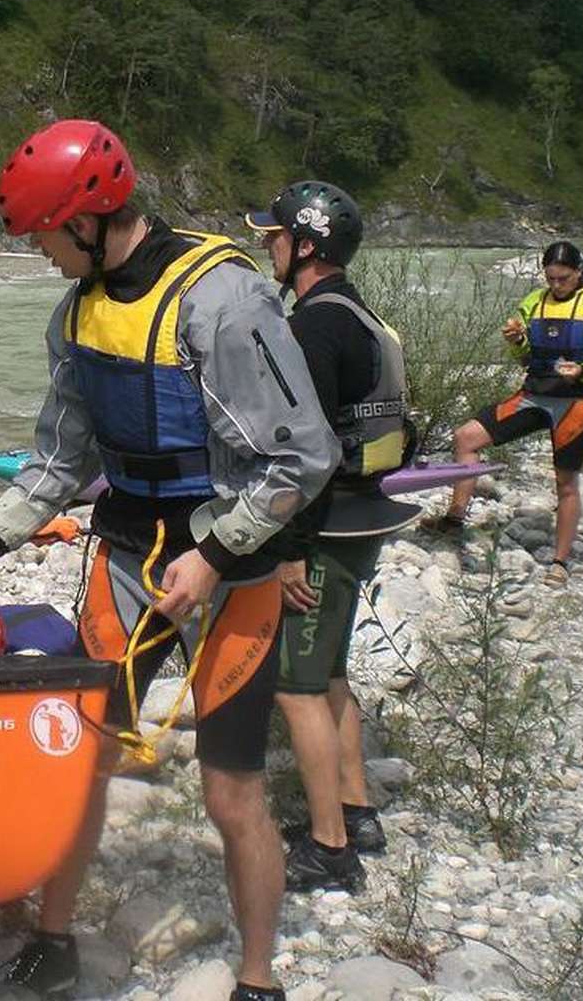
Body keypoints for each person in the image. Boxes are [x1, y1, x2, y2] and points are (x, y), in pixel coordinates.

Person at [0, 120, 340, 1001]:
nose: (37, 253)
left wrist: (217, 557)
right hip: (123, 560)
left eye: (41, 235)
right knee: (81, 763)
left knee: (231, 795)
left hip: (231, 574)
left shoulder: (223, 302)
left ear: (86, 220)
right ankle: (54, 938)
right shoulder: (75, 312)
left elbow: (303, 457)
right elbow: (61, 459)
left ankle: (259, 981)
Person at [246, 182, 408, 895]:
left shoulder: (314, 325)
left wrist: (283, 552)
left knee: (296, 686)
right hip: (364, 518)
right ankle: (356, 810)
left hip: (326, 530)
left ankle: (329, 848)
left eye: (274, 237)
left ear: (304, 246)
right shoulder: (357, 313)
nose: (267, 246)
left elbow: (304, 454)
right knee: (333, 672)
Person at [428, 240, 583, 586]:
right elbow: (524, 359)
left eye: (563, 278)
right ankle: (454, 520)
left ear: (579, 273)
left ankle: (560, 563)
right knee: (466, 437)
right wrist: (516, 341)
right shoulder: (533, 302)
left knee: (565, 482)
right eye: (550, 278)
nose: (556, 285)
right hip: (534, 395)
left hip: (577, 403)